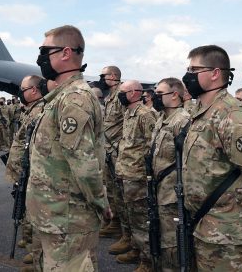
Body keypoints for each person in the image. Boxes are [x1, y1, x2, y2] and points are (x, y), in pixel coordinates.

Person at [182, 45, 242, 271]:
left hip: (234, 234)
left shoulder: (231, 115)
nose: (187, 76)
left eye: (193, 70)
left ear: (215, 73)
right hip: (207, 226)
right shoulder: (204, 112)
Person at [27, 25, 111, 270]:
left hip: (68, 218)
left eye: (45, 51)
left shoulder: (75, 98)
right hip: (55, 215)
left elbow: (84, 165)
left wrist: (100, 204)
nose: (40, 58)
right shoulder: (62, 97)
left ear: (65, 53)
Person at [114, 80, 157, 271]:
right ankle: (135, 249)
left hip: (138, 177)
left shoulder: (145, 115)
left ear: (134, 93)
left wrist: (146, 175)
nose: (119, 96)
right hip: (125, 173)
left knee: (141, 220)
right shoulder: (129, 114)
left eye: (123, 92)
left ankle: (148, 262)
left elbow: (152, 147)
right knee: (130, 216)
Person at [6, 75, 47, 272]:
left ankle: (38, 255)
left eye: (23, 89)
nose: (19, 93)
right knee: (27, 213)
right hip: (24, 171)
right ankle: (33, 248)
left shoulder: (39, 110)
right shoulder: (31, 109)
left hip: (32, 172)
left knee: (34, 215)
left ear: (33, 90)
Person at [150, 77, 190, 271]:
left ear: (174, 95)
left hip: (173, 196)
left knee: (172, 244)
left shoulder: (182, 121)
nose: (154, 97)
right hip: (160, 191)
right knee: (160, 240)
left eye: (159, 94)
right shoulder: (162, 119)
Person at [98, 66, 129, 251]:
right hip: (108, 150)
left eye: (104, 75)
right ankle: (115, 223)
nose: (101, 78)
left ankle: (126, 233)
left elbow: (129, 122)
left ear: (113, 76)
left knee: (121, 191)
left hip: (117, 151)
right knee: (111, 189)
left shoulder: (121, 94)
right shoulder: (110, 96)